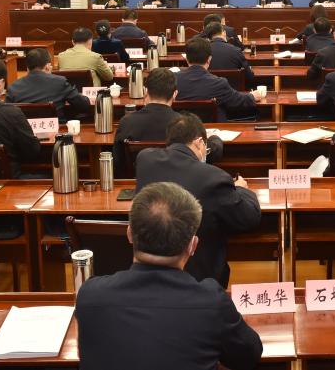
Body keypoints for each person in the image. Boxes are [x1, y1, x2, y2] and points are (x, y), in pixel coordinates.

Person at [75, 182, 262, 370]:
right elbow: (248, 356)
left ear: (129, 234)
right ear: (193, 246)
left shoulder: (89, 295)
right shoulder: (212, 302)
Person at [135, 114, 261, 286]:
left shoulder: (145, 160)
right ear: (200, 142)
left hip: (148, 273)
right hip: (197, 276)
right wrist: (241, 189)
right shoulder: (214, 178)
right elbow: (249, 217)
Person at [113, 68, 223, 171]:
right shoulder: (185, 125)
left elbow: (117, 162)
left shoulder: (126, 122)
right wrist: (215, 138)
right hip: (177, 181)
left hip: (139, 181)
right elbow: (204, 154)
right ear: (175, 94)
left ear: (146, 91)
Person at [176, 38, 262, 121]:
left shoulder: (173, 80)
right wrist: (252, 96)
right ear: (209, 59)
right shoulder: (219, 83)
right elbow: (237, 100)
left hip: (181, 128)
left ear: (186, 59)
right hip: (213, 129)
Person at [5, 47, 91, 121]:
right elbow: (83, 105)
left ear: (27, 68)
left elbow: (7, 115)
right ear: (47, 66)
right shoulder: (60, 82)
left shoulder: (13, 87)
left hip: (24, 132)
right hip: (57, 132)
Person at [204, 22, 255, 87]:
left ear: (208, 37)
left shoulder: (202, 52)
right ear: (224, 33)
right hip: (233, 90)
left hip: (209, 90)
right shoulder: (236, 50)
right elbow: (249, 76)